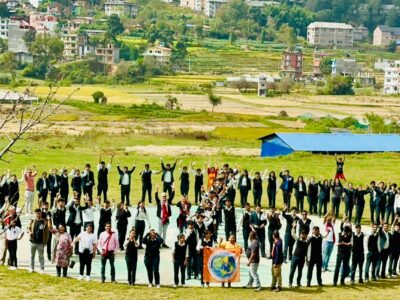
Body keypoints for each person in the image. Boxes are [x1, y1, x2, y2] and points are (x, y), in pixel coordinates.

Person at [27, 208, 51, 273]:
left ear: (41, 213)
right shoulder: (32, 221)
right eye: (37, 213)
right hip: (33, 242)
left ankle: (42, 269)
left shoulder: (44, 221)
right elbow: (28, 228)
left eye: (39, 213)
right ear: (35, 214)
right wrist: (29, 232)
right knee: (32, 256)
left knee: (41, 257)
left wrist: (45, 242)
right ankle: (31, 268)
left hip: (41, 243)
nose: (38, 214)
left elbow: (47, 233)